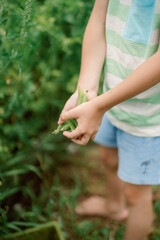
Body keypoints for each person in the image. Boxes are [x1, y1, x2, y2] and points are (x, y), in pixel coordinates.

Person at [58, 0, 160, 239]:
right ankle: (114, 206)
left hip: (148, 119)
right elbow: (98, 21)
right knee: (108, 156)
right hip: (107, 102)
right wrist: (87, 91)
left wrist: (99, 105)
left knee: (137, 194)